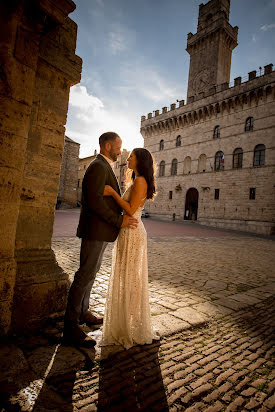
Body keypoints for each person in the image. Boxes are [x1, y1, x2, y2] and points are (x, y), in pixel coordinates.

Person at [63, 132, 138, 347]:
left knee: (91, 273)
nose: (120, 152)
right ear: (107, 146)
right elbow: (95, 202)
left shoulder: (104, 165)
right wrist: (118, 220)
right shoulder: (97, 166)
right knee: (84, 274)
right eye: (118, 147)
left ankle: (83, 313)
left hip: (101, 231)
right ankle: (70, 327)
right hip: (95, 230)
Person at [101, 148, 159, 349]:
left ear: (140, 160)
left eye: (131, 156)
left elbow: (131, 209)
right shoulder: (137, 180)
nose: (128, 158)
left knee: (130, 278)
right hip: (128, 230)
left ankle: (130, 325)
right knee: (127, 277)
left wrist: (112, 194)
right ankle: (127, 322)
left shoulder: (141, 181)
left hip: (132, 231)